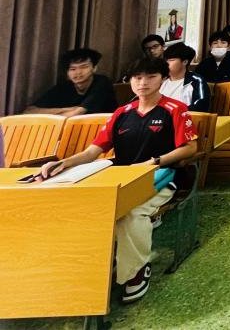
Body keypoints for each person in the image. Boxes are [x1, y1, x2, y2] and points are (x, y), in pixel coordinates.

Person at [35, 57, 197, 303]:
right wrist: (64, 163)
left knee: (132, 212)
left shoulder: (175, 109)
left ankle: (136, 269)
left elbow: (190, 148)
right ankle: (95, 263)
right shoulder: (122, 113)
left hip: (161, 177)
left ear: (163, 79)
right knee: (90, 207)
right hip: (120, 178)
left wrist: (155, 161)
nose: (143, 83)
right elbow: (93, 151)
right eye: (137, 77)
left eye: (151, 77)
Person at [25, 48, 116, 116]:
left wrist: (53, 115)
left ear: (94, 68)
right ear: (67, 72)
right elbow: (29, 111)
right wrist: (66, 109)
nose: (78, 72)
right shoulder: (64, 87)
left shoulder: (102, 82)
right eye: (73, 69)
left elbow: (77, 113)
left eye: (84, 67)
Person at [161, 43, 210, 112]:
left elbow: (201, 106)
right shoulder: (161, 80)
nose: (166, 63)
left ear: (185, 62)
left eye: (171, 60)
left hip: (184, 117)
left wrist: (176, 112)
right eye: (165, 60)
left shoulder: (196, 80)